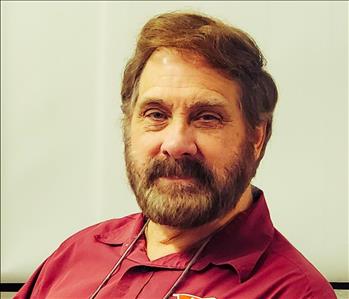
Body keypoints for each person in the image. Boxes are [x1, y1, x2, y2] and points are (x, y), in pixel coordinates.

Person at [15, 11, 336, 299]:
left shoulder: (294, 292)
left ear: (256, 137)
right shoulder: (79, 252)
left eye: (207, 117)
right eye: (155, 114)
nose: (176, 143)